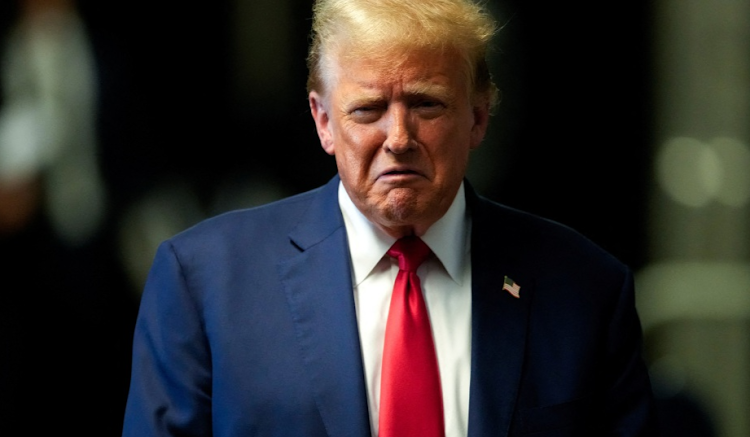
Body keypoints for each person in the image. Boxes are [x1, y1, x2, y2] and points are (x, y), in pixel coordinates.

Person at [122, 0, 658, 435]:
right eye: (368, 110)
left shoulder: (587, 290)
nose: (398, 139)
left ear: (477, 117)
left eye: (426, 105)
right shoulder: (204, 280)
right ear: (323, 121)